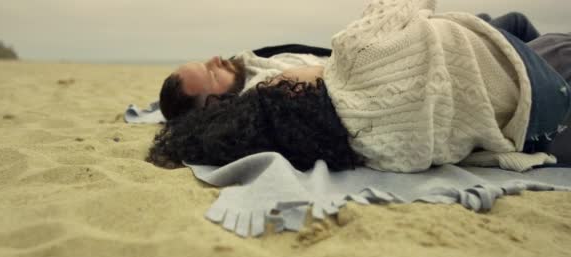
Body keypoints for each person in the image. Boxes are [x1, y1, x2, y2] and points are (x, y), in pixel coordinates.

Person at [149, 0, 570, 172]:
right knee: (555, 45)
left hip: (525, 122)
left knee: (519, 28)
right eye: (211, 74)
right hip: (532, 82)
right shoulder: (348, 56)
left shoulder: (359, 148)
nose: (216, 60)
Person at [159, 44, 331, 120]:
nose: (216, 59)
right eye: (212, 74)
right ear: (213, 107)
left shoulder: (246, 61)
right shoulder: (267, 97)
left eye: (206, 63)